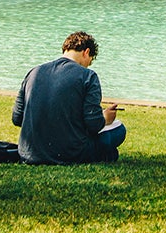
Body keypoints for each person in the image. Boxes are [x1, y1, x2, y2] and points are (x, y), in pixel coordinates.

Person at [11, 31, 126, 165]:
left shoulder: (34, 72)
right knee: (119, 130)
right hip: (70, 153)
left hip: (30, 153)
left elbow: (17, 118)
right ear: (86, 52)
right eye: (91, 60)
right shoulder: (88, 76)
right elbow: (93, 124)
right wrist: (105, 118)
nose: (89, 64)